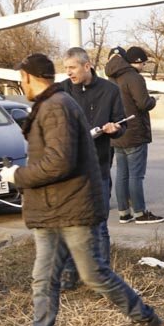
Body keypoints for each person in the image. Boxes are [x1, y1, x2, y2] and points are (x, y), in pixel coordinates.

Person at [0, 53, 164, 326]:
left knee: (93, 273)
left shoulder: (56, 107)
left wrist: (18, 176)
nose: (21, 87)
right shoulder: (54, 103)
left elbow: (59, 162)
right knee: (44, 278)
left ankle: (147, 321)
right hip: (53, 209)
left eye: (22, 81)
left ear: (33, 78)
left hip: (72, 206)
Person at [58, 47, 126, 290]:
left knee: (99, 223)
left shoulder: (110, 91)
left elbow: (122, 122)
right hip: (70, 169)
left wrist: (115, 129)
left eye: (72, 68)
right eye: (66, 68)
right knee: (69, 222)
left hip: (98, 166)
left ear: (87, 66)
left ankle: (102, 275)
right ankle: (69, 273)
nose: (69, 73)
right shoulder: (62, 91)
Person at [105, 46, 163, 224]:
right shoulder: (134, 78)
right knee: (136, 176)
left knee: (122, 175)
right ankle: (140, 212)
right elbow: (143, 103)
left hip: (117, 132)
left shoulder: (110, 78)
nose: (144, 66)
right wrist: (154, 100)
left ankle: (124, 212)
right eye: (144, 62)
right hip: (134, 132)